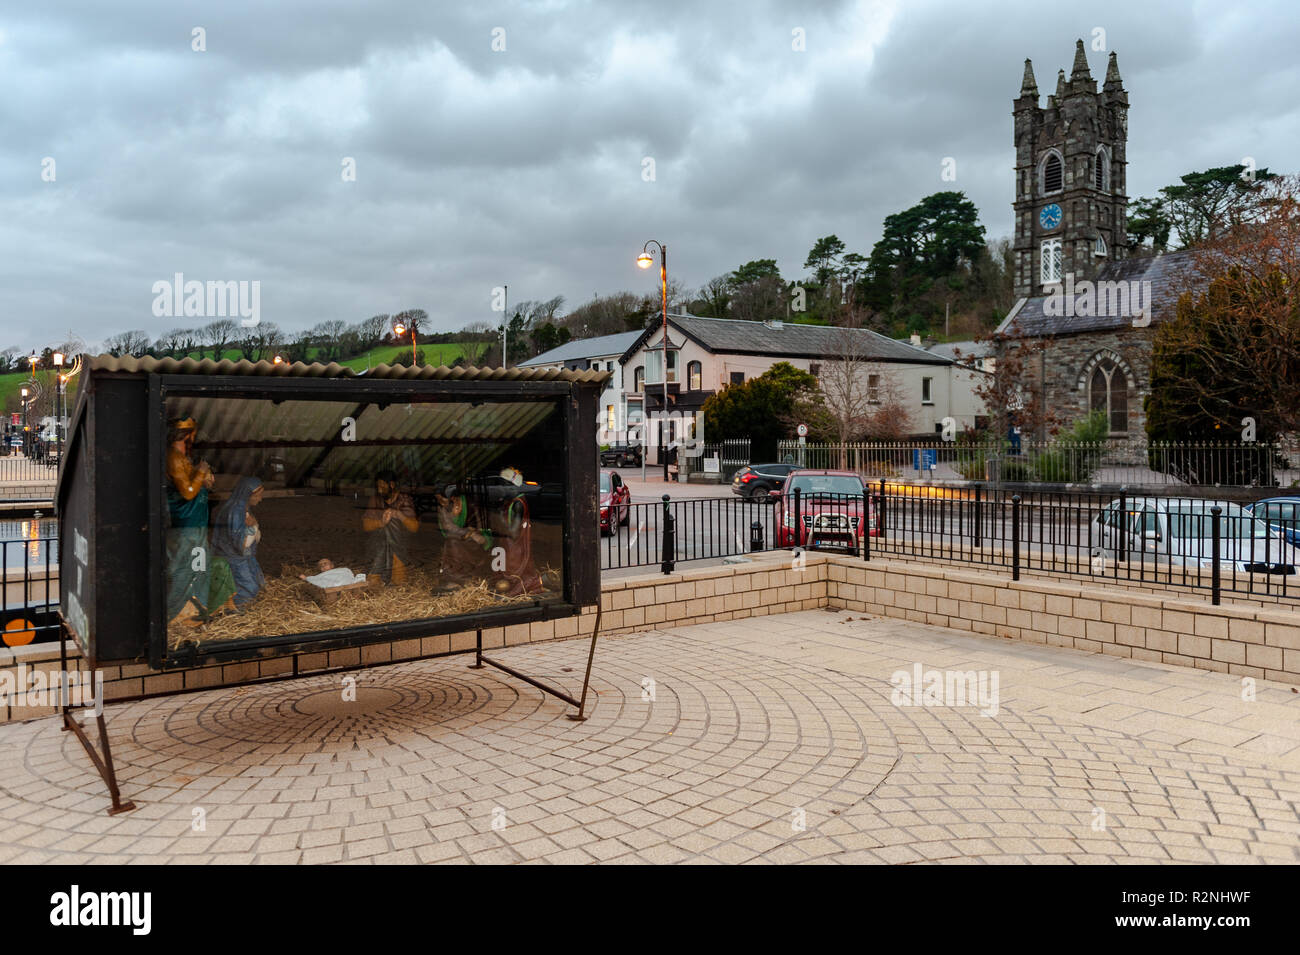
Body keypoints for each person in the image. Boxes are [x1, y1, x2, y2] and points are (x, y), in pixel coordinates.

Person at [165, 417, 236, 626]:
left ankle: (197, 609)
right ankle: (180, 613)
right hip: (187, 523)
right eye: (193, 434)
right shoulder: (174, 457)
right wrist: (202, 471)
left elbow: (191, 484)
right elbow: (187, 492)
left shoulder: (181, 457)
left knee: (198, 564)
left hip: (195, 522)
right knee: (186, 566)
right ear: (188, 434)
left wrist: (202, 476)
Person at [487, 467, 543, 597]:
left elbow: (513, 533)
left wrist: (500, 516)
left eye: (504, 484)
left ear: (512, 486)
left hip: (514, 548)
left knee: (514, 573)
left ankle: (520, 587)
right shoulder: (510, 502)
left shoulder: (518, 504)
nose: (500, 488)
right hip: (509, 546)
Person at [211, 476, 266, 608]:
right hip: (233, 560)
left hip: (244, 557)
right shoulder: (235, 512)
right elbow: (242, 545)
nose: (260, 499)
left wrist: (254, 526)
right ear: (248, 495)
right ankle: (236, 613)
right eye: (258, 495)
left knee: (260, 586)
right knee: (250, 590)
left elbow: (255, 539)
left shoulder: (243, 509)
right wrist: (253, 528)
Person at [363, 469, 418, 584]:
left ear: (392, 485)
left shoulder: (404, 500)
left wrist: (399, 515)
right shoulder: (375, 499)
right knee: (373, 580)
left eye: (382, 486)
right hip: (379, 547)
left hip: (398, 548)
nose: (379, 489)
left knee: (398, 581)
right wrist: (381, 523)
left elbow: (414, 527)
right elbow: (366, 525)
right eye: (378, 486)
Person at [433, 483, 492, 591]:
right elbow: (448, 527)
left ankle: (464, 577)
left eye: (443, 500)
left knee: (453, 543)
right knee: (451, 543)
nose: (441, 503)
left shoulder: (471, 504)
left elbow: (480, 527)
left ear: (453, 499)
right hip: (459, 537)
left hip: (477, 541)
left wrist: (473, 533)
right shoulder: (443, 508)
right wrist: (467, 532)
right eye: (438, 500)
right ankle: (453, 578)